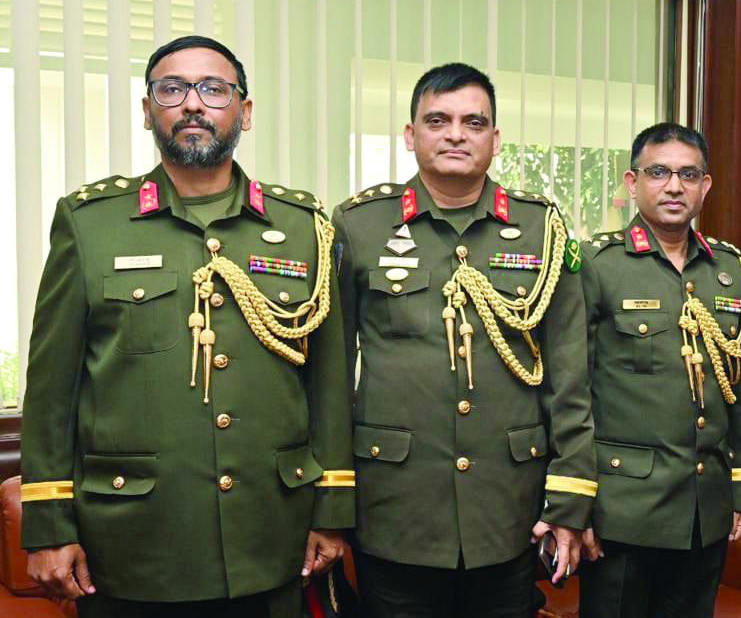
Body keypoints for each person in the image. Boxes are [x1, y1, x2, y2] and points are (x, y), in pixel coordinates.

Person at [20, 35, 353, 617]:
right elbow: (51, 391)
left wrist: (332, 510)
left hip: (270, 536)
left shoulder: (304, 227)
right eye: (171, 89)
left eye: (213, 89)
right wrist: (48, 524)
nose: (192, 103)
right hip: (135, 546)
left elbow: (326, 381)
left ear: (244, 113)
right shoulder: (90, 224)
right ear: (148, 110)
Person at [333, 62, 597, 618]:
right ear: (411, 135)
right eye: (438, 119)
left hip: (509, 508)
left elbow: (569, 373)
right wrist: (330, 504)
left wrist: (572, 496)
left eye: (473, 122)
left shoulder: (540, 228)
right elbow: (331, 376)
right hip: (396, 508)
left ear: (494, 139)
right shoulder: (360, 227)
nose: (456, 133)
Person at [576, 123, 741, 617]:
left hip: (705, 506)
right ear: (632, 183)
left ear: (706, 185)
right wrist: (575, 507)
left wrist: (740, 483)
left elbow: (736, 388)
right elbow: (570, 392)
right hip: (622, 508)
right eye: (658, 172)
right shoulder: (598, 265)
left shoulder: (731, 271)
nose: (674, 186)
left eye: (688, 174)